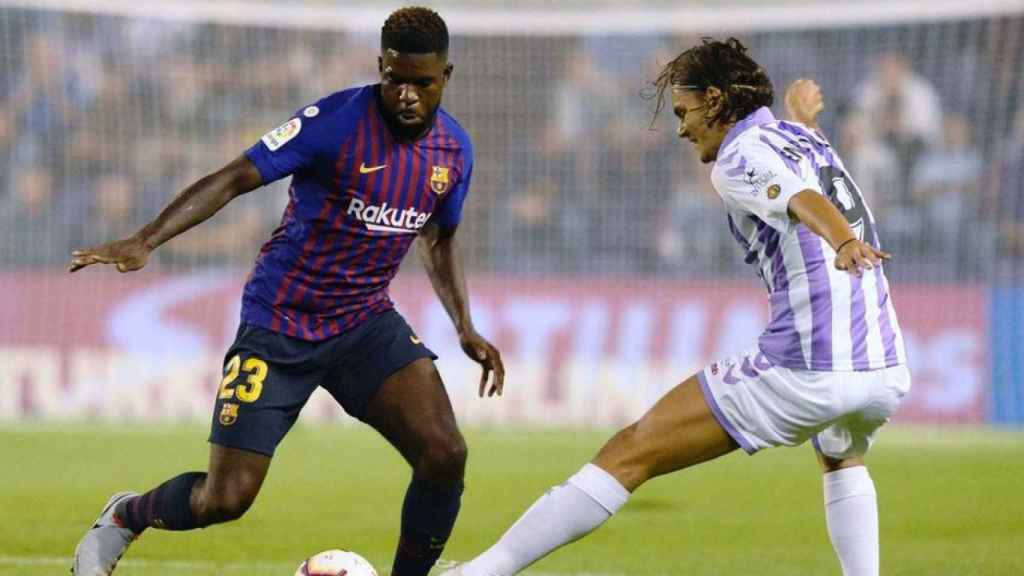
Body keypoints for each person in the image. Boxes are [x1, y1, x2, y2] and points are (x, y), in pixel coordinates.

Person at [443, 38, 909, 576]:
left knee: (628, 452)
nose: (682, 128)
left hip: (806, 366)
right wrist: (802, 115)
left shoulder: (738, 157)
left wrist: (843, 243)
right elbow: (807, 168)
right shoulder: (805, 140)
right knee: (841, 453)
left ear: (715, 100)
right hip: (883, 366)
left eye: (685, 111)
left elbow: (805, 202)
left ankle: (479, 573)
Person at [68, 7, 505, 576]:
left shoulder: (454, 152)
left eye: (421, 83)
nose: (406, 94)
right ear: (380, 66)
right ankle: (126, 515)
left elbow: (439, 239)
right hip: (280, 324)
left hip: (365, 324)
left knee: (445, 453)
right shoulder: (334, 121)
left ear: (447, 75)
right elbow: (233, 177)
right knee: (225, 499)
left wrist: (464, 326)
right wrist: (146, 240)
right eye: (394, 78)